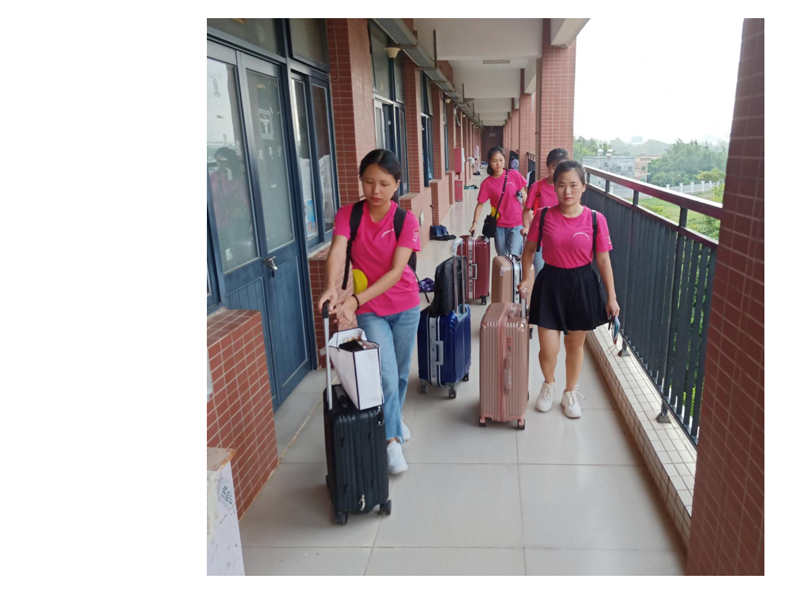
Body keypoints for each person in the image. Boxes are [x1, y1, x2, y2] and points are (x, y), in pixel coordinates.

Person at [317, 149, 421, 475]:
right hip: (371, 309)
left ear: (397, 184)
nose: (375, 191)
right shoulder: (349, 215)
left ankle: (394, 417)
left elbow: (396, 272)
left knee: (400, 373)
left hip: (406, 305)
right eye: (369, 182)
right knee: (385, 374)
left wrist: (355, 300)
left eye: (384, 184)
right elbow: (337, 251)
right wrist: (332, 286)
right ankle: (391, 441)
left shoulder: (406, 220)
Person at [518, 160, 620, 419]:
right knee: (548, 348)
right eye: (561, 185)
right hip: (550, 283)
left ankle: (569, 392)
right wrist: (527, 278)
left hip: (582, 285)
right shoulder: (543, 216)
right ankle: (549, 383)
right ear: (554, 187)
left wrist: (612, 297)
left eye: (574, 185)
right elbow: (528, 251)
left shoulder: (596, 220)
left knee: (574, 346)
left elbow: (603, 260)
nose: (567, 191)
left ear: (584, 187)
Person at [469, 146, 528, 257]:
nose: (498, 164)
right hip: (499, 225)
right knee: (502, 257)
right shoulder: (487, 183)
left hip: (517, 223)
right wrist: (474, 223)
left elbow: (523, 194)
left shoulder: (513, 174)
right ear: (489, 162)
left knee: (514, 256)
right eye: (494, 161)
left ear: (505, 159)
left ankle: (514, 269)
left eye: (501, 160)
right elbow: (480, 204)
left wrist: (529, 213)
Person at [523, 148, 570, 278]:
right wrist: (526, 227)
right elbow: (526, 210)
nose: (558, 172)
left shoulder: (569, 190)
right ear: (547, 166)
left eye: (561, 168)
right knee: (540, 274)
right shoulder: (537, 187)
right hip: (541, 240)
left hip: (563, 240)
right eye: (554, 168)